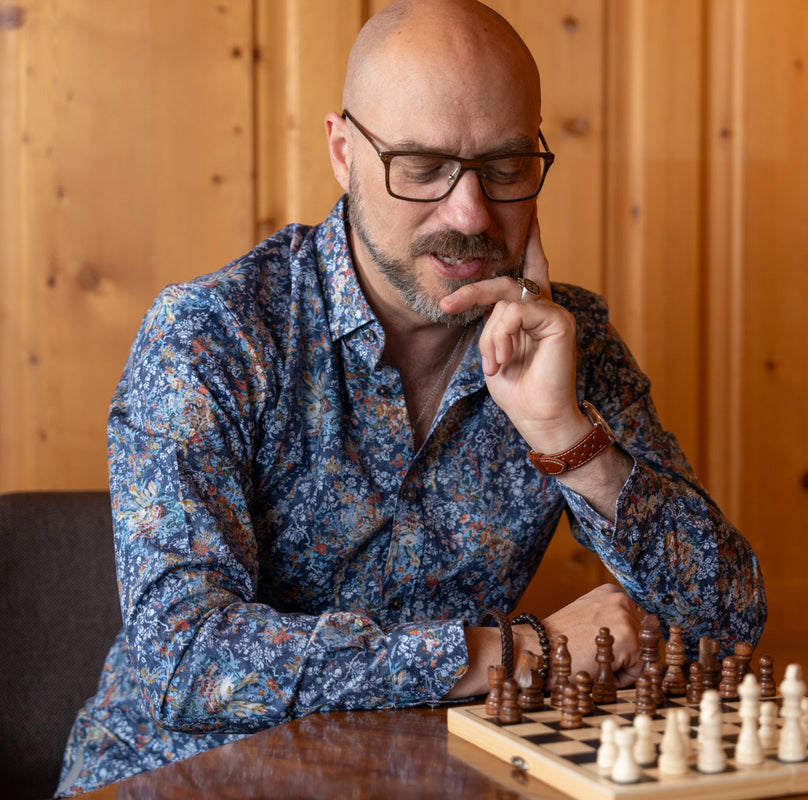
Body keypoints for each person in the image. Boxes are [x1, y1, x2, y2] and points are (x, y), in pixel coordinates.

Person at [56, 0, 766, 795]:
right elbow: (184, 662)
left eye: (503, 169)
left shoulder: (571, 344)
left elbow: (726, 621)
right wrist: (509, 652)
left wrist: (567, 435)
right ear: (343, 152)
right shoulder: (212, 337)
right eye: (422, 168)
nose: (468, 215)